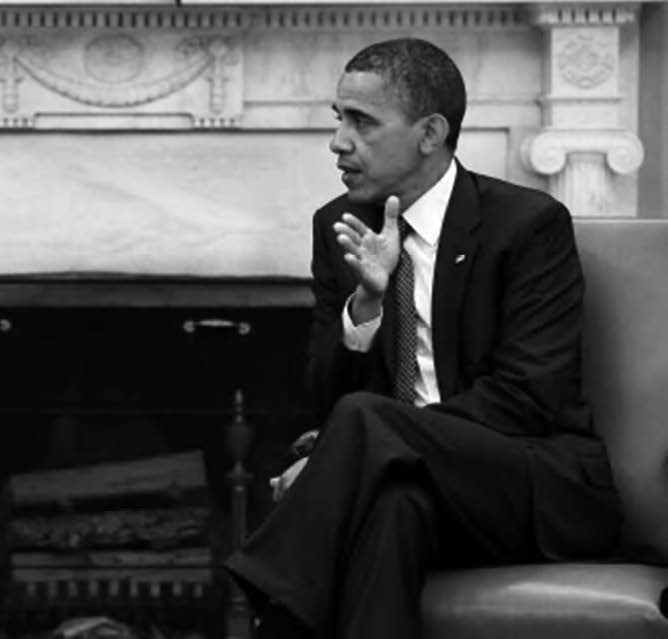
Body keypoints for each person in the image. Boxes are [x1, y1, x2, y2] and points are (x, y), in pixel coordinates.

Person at [225, 38, 622, 638]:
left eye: (361, 122)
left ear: (430, 133)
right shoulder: (340, 227)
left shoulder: (527, 225)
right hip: (408, 484)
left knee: (365, 425)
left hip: (528, 483)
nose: (338, 142)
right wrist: (368, 305)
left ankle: (265, 590)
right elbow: (324, 397)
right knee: (392, 507)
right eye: (339, 120)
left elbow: (529, 397)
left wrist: (365, 447)